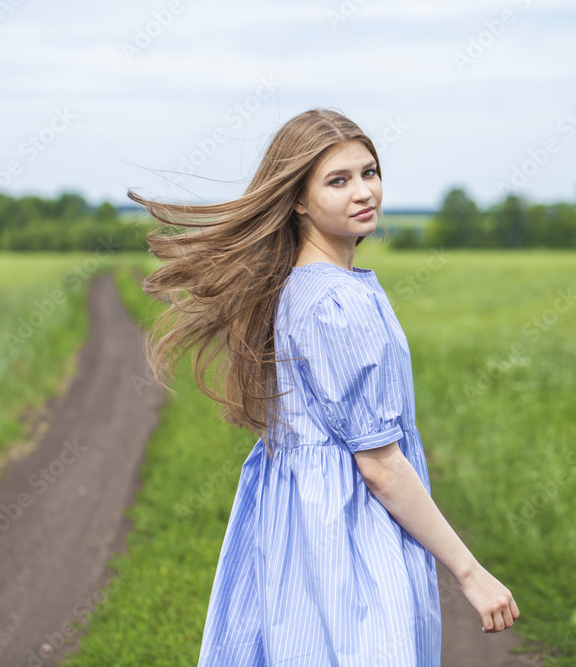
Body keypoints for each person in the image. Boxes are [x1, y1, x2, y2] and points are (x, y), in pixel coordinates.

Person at [130, 108, 518, 666]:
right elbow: (380, 466)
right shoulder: (337, 304)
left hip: (303, 534)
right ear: (299, 200)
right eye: (338, 180)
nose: (364, 192)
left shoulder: (299, 287)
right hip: (348, 535)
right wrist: (469, 571)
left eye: (369, 172)